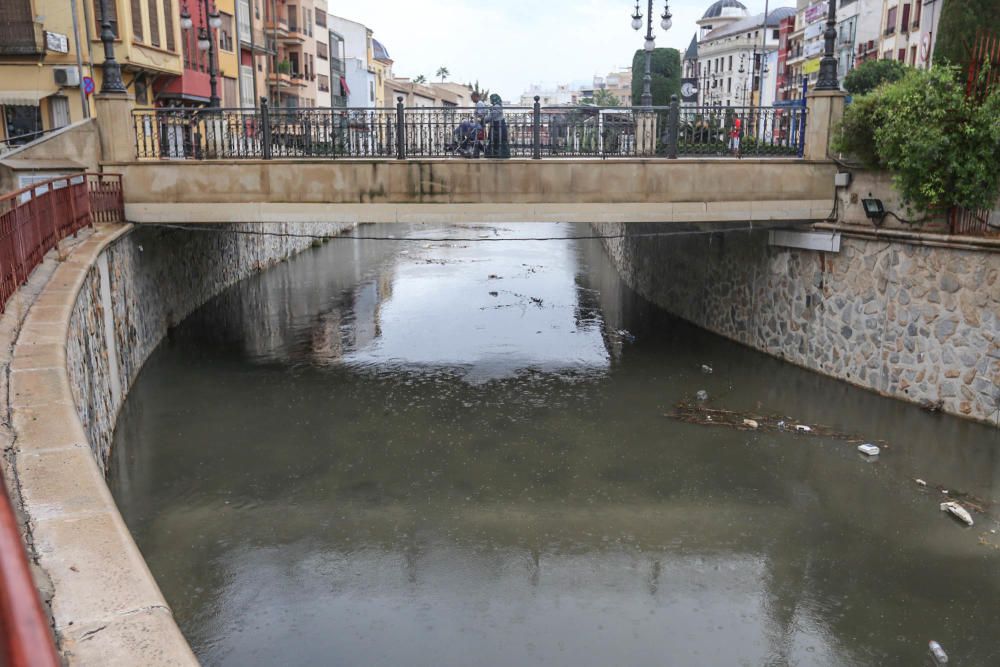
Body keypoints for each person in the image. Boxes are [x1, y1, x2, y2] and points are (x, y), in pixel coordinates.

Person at [484, 94, 510, 158]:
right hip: (497, 126)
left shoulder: (497, 106)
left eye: (491, 99)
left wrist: (483, 120)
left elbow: (492, 116)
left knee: (498, 141)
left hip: (498, 127)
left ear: (494, 99)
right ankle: (495, 153)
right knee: (496, 141)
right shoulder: (496, 106)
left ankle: (497, 154)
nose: (490, 100)